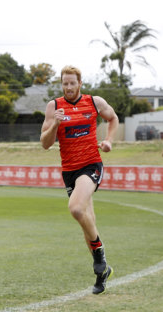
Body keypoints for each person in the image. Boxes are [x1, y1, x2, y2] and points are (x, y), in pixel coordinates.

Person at [40, 65, 118, 295]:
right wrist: (55, 123)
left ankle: (99, 254)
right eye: (65, 83)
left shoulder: (94, 102)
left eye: (73, 83)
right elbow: (45, 144)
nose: (69, 87)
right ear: (61, 84)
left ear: (80, 83)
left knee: (75, 209)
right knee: (87, 222)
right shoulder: (54, 107)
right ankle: (102, 272)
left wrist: (110, 141)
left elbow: (113, 119)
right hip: (69, 171)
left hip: (91, 165)